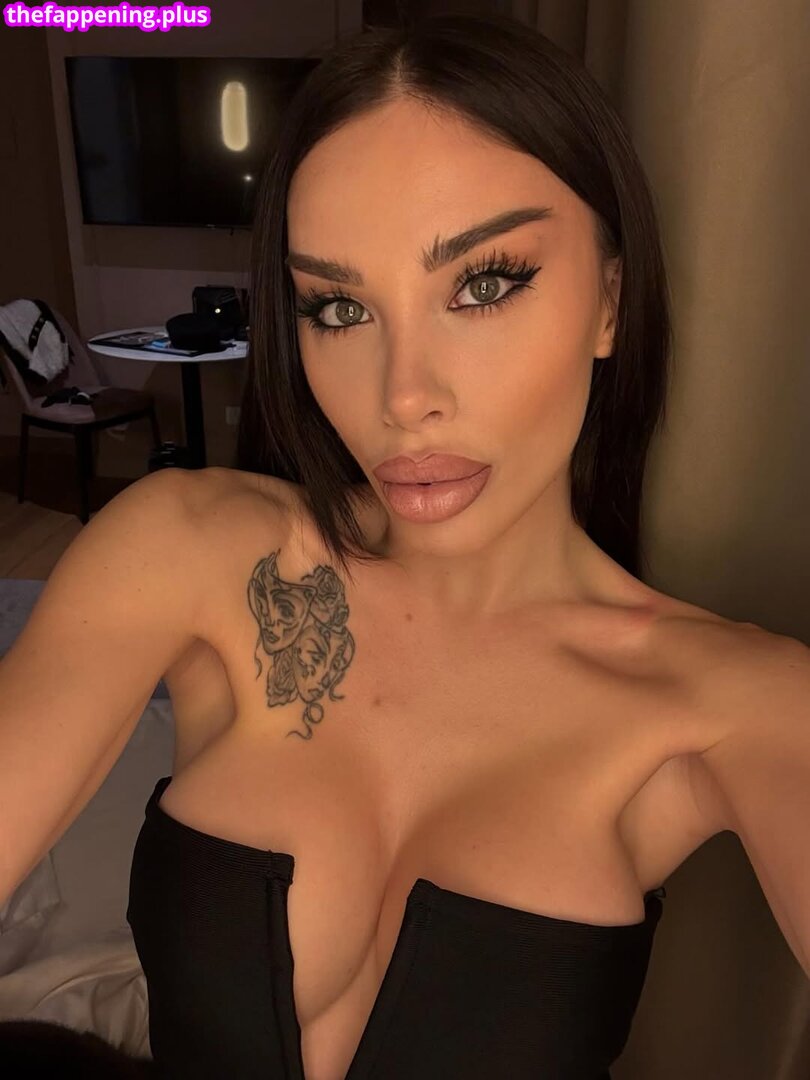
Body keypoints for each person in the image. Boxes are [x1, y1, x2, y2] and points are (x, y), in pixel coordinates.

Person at [1, 11, 807, 1080]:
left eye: (483, 284)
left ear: (610, 301)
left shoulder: (734, 703)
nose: (403, 397)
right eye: (339, 308)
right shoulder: (190, 551)